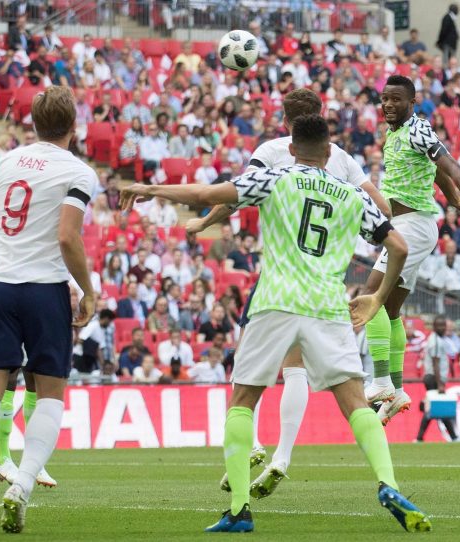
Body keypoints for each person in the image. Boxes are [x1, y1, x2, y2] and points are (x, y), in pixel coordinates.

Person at [119, 114, 429, 533]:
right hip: (328, 306)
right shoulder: (352, 194)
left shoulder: (275, 178)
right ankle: (388, 483)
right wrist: (376, 296)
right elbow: (399, 246)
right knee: (355, 402)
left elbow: (205, 192)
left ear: (291, 148)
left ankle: (239, 510)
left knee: (243, 400)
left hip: (276, 301)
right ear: (329, 152)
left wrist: (149, 187)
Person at [185, 88, 392, 492]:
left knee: (248, 375)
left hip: (282, 277)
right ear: (322, 119)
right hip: (326, 279)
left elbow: (238, 195)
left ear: (285, 123)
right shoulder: (341, 159)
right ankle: (282, 455)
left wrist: (204, 222)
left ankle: (251, 448)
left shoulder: (273, 151)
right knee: (298, 369)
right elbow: (381, 209)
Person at [0, 86, 97, 535]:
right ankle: (22, 488)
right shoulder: (78, 171)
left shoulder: (5, 162)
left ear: (33, 124)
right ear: (74, 127)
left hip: (0, 289)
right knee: (50, 393)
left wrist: (1, 252)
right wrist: (89, 291)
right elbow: (67, 238)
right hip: (44, 291)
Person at [363, 74, 460, 427]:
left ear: (411, 102)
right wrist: (454, 200)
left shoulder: (418, 129)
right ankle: (399, 389)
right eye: (384, 98)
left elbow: (450, 166)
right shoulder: (394, 134)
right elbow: (435, 174)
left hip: (412, 228)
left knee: (368, 296)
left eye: (396, 99)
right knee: (388, 310)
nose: (388, 104)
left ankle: (381, 382)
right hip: (409, 226)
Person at [415, 315, 459, 441]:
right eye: (439, 325)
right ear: (434, 327)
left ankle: (452, 436)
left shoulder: (438, 339)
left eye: (443, 325)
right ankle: (453, 436)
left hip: (434, 378)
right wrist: (440, 383)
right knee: (435, 407)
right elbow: (435, 363)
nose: (442, 328)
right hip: (433, 378)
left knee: (437, 407)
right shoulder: (435, 341)